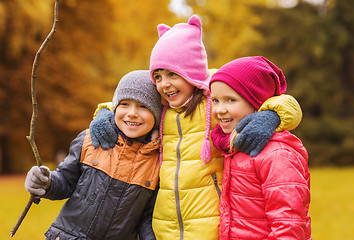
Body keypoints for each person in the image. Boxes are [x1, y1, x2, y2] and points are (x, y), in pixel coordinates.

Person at [89, 15, 303, 240]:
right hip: (165, 228)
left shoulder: (214, 98)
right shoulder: (163, 105)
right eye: (158, 76)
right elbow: (129, 102)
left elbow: (287, 103)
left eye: (173, 74)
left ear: (192, 72)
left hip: (209, 225)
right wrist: (105, 113)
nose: (165, 83)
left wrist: (270, 115)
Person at [24, 70, 162, 240]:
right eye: (125, 104)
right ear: (115, 107)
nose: (132, 113)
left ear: (156, 114)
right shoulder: (90, 140)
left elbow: (146, 219)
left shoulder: (157, 162)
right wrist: (46, 183)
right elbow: (66, 181)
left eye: (143, 106)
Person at [210, 56, 311, 239]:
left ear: (257, 102)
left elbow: (288, 223)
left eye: (230, 100)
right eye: (215, 100)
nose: (219, 110)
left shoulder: (277, 154)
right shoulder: (233, 147)